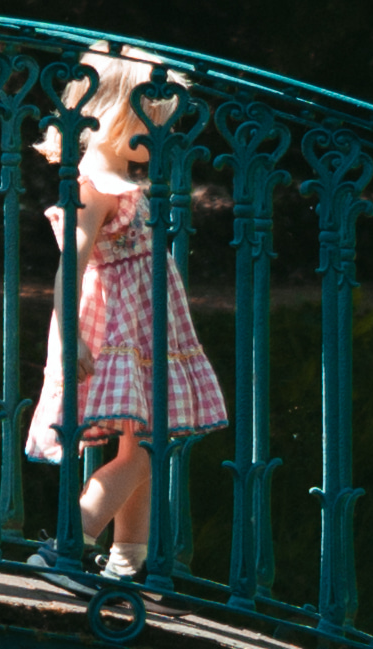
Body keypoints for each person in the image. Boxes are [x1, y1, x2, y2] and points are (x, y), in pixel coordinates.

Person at [18, 49, 224, 583]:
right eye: (152, 125)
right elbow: (73, 265)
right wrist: (70, 340)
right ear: (120, 117)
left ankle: (126, 564)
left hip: (149, 329)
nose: (159, 138)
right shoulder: (96, 187)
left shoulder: (122, 182)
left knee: (146, 440)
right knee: (146, 446)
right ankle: (67, 545)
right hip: (119, 331)